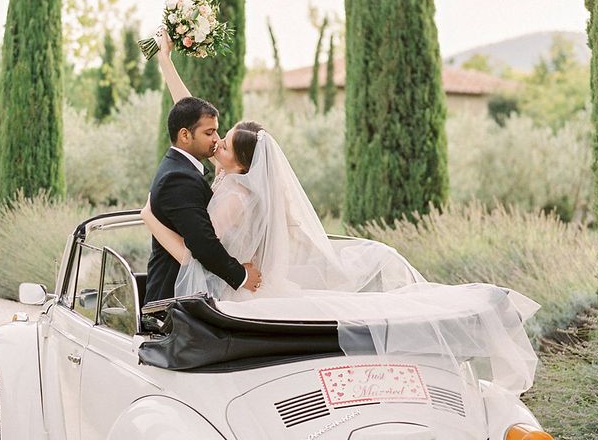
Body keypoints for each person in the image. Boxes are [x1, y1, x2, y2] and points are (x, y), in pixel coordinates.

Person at [141, 30, 423, 302]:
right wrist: (165, 61)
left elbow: (199, 251)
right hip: (228, 277)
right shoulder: (229, 169)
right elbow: (191, 114)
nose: (217, 141)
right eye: (215, 135)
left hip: (227, 285)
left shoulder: (238, 193)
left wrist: (150, 218)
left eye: (223, 141)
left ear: (241, 164)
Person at [143, 88, 262, 304]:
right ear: (185, 135)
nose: (216, 140)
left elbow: (200, 246)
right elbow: (203, 245)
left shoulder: (184, 169)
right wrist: (241, 276)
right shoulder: (179, 177)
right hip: (173, 297)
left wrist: (148, 217)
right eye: (210, 133)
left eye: (220, 136)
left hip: (198, 292)